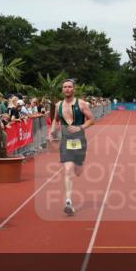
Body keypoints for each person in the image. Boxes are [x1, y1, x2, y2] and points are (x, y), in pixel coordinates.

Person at [50, 79, 96, 216]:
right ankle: (68, 202)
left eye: (69, 87)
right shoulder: (58, 105)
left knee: (78, 171)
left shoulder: (81, 104)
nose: (67, 89)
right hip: (65, 141)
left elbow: (92, 120)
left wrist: (80, 127)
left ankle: (80, 162)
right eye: (65, 87)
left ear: (74, 89)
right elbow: (55, 120)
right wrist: (52, 131)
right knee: (68, 170)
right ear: (62, 89)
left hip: (79, 140)